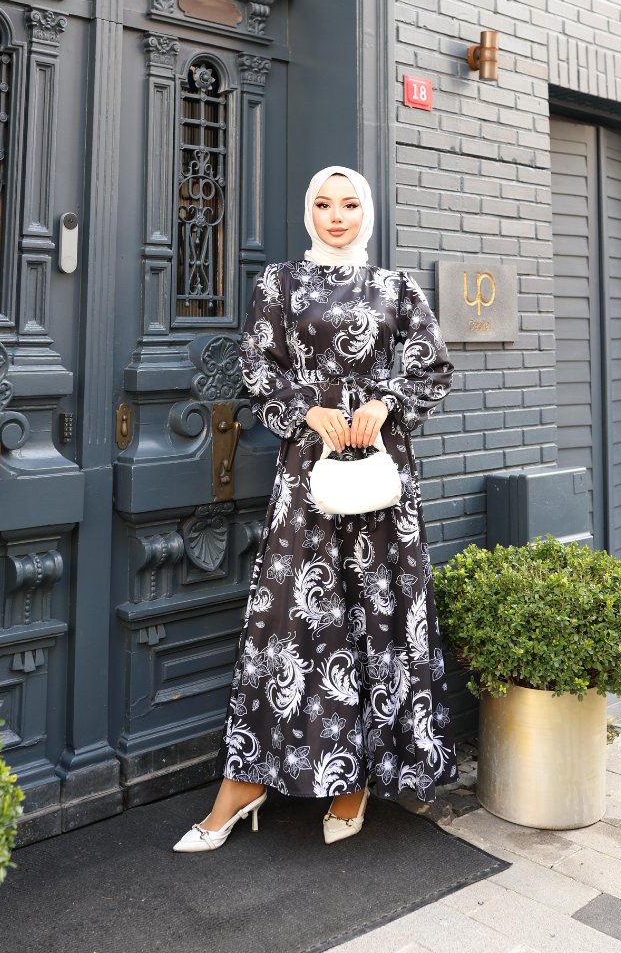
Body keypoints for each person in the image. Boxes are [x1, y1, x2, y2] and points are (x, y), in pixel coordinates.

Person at [173, 166, 457, 852]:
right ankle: (243, 784)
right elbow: (257, 366)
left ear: (366, 211)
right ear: (310, 212)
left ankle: (352, 781)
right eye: (324, 204)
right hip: (308, 475)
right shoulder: (280, 283)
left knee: (376, 616)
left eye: (349, 204)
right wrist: (309, 410)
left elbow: (432, 366)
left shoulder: (395, 286)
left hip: (381, 478)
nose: (337, 216)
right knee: (290, 620)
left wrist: (385, 401)